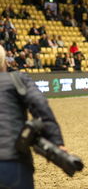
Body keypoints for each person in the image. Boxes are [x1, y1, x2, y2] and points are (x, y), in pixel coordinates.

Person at [0, 45, 66, 188]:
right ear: (4, 61)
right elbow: (41, 107)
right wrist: (57, 143)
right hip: (13, 162)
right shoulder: (17, 79)